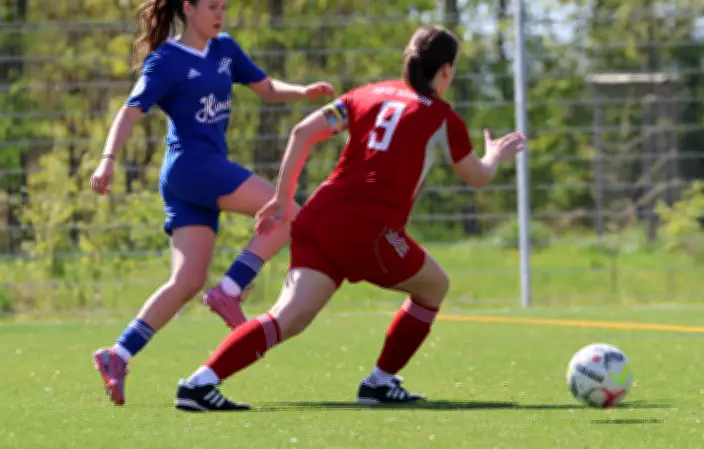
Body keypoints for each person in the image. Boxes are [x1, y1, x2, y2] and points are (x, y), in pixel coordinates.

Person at [172, 24, 527, 412]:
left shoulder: (367, 93)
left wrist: (282, 198)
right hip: (366, 231)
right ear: (445, 70)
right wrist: (495, 155)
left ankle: (199, 383)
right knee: (434, 287)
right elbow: (477, 177)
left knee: (285, 319)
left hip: (318, 219)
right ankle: (380, 381)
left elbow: (302, 131)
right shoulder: (441, 116)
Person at [88, 0, 334, 406]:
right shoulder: (166, 59)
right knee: (290, 213)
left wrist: (302, 91)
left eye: (224, 6)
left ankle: (118, 353)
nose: (220, 14)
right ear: (188, 8)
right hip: (193, 167)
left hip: (191, 177)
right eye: (212, 6)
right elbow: (130, 113)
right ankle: (231, 290)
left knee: (186, 281)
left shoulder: (225, 49)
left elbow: (266, 87)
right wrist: (107, 160)